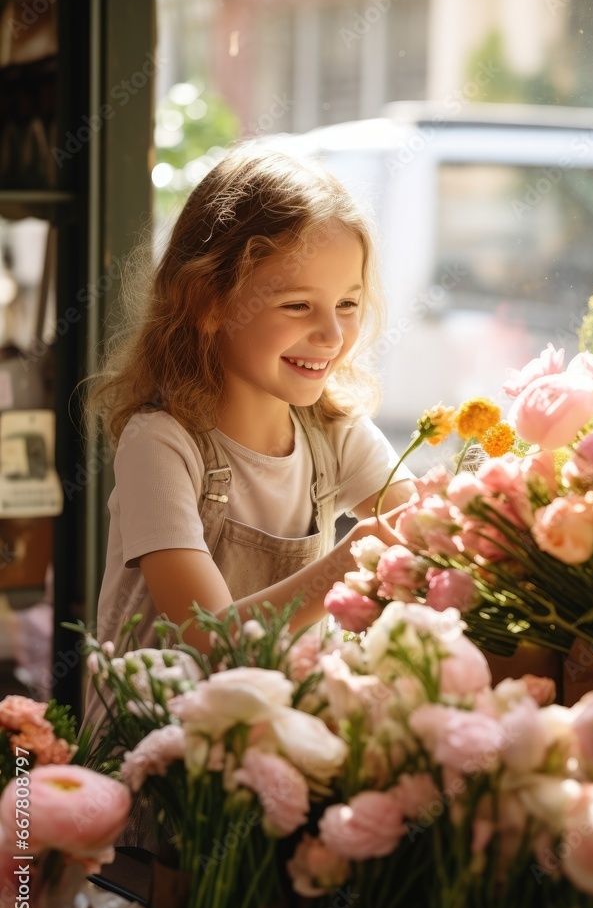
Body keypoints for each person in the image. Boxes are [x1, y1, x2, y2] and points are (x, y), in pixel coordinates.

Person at [86, 142, 414, 682]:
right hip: (153, 741)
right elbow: (207, 639)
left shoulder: (335, 432)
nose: (332, 334)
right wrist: (344, 563)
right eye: (297, 305)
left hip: (273, 736)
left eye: (348, 304)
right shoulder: (160, 443)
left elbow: (421, 528)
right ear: (207, 302)